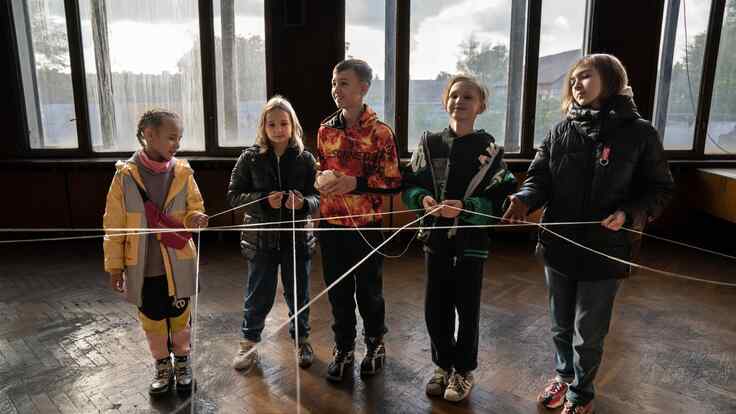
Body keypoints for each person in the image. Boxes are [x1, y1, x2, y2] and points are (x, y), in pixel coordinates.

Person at [503, 54, 674, 414]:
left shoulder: (640, 133)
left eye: (585, 77)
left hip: (606, 249)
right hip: (558, 246)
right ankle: (563, 378)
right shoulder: (560, 129)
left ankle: (581, 393)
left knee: (589, 332)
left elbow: (659, 189)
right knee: (560, 325)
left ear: (611, 80)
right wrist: (524, 198)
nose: (577, 84)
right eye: (574, 79)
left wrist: (628, 213)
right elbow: (539, 178)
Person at [402, 74, 516, 402]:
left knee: (467, 309)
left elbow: (500, 195)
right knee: (434, 307)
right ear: (444, 101)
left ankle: (463, 370)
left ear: (481, 106)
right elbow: (411, 183)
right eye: (454, 95)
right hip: (435, 241)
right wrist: (423, 200)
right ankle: (442, 365)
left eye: (468, 97)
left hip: (471, 245)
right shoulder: (430, 143)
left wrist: (466, 208)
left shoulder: (489, 149)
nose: (460, 102)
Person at [103, 109, 209, 396]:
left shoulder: (183, 172)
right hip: (142, 268)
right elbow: (113, 227)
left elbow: (194, 208)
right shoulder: (124, 177)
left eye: (179, 138)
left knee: (180, 318)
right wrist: (115, 268)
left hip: (179, 264)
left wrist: (196, 218)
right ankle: (162, 366)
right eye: (171, 137)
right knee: (152, 320)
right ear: (148, 135)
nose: (177, 144)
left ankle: (183, 363)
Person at [315, 59, 402, 381]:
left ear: (364, 88)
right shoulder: (326, 130)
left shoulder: (380, 133)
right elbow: (319, 170)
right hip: (330, 223)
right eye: (334, 83)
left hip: (365, 225)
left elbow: (394, 183)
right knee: (337, 291)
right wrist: (320, 180)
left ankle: (375, 343)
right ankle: (344, 347)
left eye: (344, 83)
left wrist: (357, 184)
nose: (336, 89)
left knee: (368, 291)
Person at [227, 95, 319, 372]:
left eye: (283, 123)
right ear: (263, 127)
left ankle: (302, 340)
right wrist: (264, 199)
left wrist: (304, 203)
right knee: (258, 294)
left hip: (297, 240)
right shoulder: (249, 158)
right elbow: (233, 196)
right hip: (261, 242)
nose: (278, 129)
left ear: (292, 125)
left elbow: (318, 197)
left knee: (298, 294)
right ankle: (248, 344)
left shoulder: (305, 159)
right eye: (272, 124)